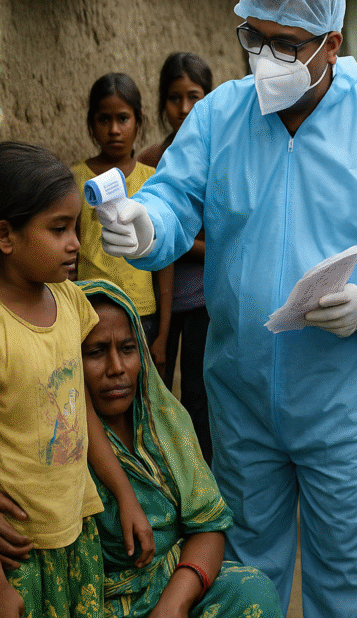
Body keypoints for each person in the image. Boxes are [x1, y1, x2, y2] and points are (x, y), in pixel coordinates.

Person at [94, 0, 357, 616]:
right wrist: (146, 228)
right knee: (248, 570)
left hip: (344, 402)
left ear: (331, 44)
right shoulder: (220, 116)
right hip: (243, 395)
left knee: (343, 568)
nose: (265, 58)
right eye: (253, 38)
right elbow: (173, 199)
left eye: (286, 45)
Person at [0, 142, 154, 617]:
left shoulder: (70, 301)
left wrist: (124, 496)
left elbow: (80, 415)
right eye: (59, 230)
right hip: (16, 548)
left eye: (75, 227)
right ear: (5, 236)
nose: (76, 243)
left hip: (76, 532)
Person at [80, 279, 283, 617]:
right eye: (96, 352)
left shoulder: (167, 423)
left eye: (127, 348)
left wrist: (174, 603)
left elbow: (208, 526)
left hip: (171, 585)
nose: (116, 368)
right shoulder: (61, 442)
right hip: (100, 603)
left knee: (251, 591)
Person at [137, 52, 214, 464]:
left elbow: (217, 238)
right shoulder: (150, 160)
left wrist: (174, 239)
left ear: (209, 98)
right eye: (173, 98)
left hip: (203, 298)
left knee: (199, 395)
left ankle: (202, 481)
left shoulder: (218, 159)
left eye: (194, 97)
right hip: (158, 302)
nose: (183, 108)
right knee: (158, 392)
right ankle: (165, 475)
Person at [73, 73, 171, 375]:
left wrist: (163, 334)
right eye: (104, 119)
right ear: (91, 124)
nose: (114, 129)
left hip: (142, 313)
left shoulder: (151, 180)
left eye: (123, 119)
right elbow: (71, 253)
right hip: (90, 309)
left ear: (139, 122)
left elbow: (165, 264)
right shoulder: (76, 180)